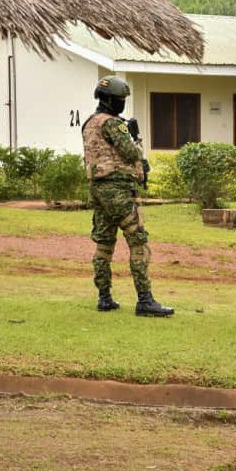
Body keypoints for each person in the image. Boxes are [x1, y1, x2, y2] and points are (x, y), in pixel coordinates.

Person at [81, 75, 174, 317]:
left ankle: (104, 297)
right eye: (121, 99)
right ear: (110, 100)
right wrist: (135, 136)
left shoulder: (89, 123)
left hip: (98, 190)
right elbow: (131, 152)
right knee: (138, 241)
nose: (123, 103)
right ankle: (145, 300)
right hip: (118, 190)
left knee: (104, 243)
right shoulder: (113, 124)